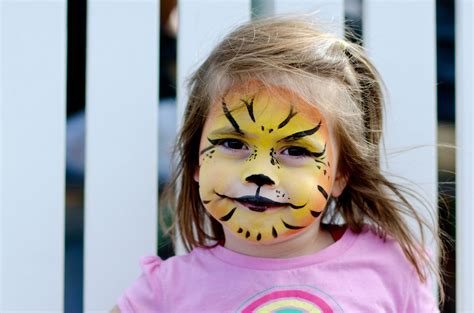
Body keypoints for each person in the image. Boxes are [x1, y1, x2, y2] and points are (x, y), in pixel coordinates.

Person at [112, 16, 442, 312]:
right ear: (196, 160)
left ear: (341, 173)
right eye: (233, 143)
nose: (260, 172)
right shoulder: (167, 292)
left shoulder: (388, 266)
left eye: (296, 151)